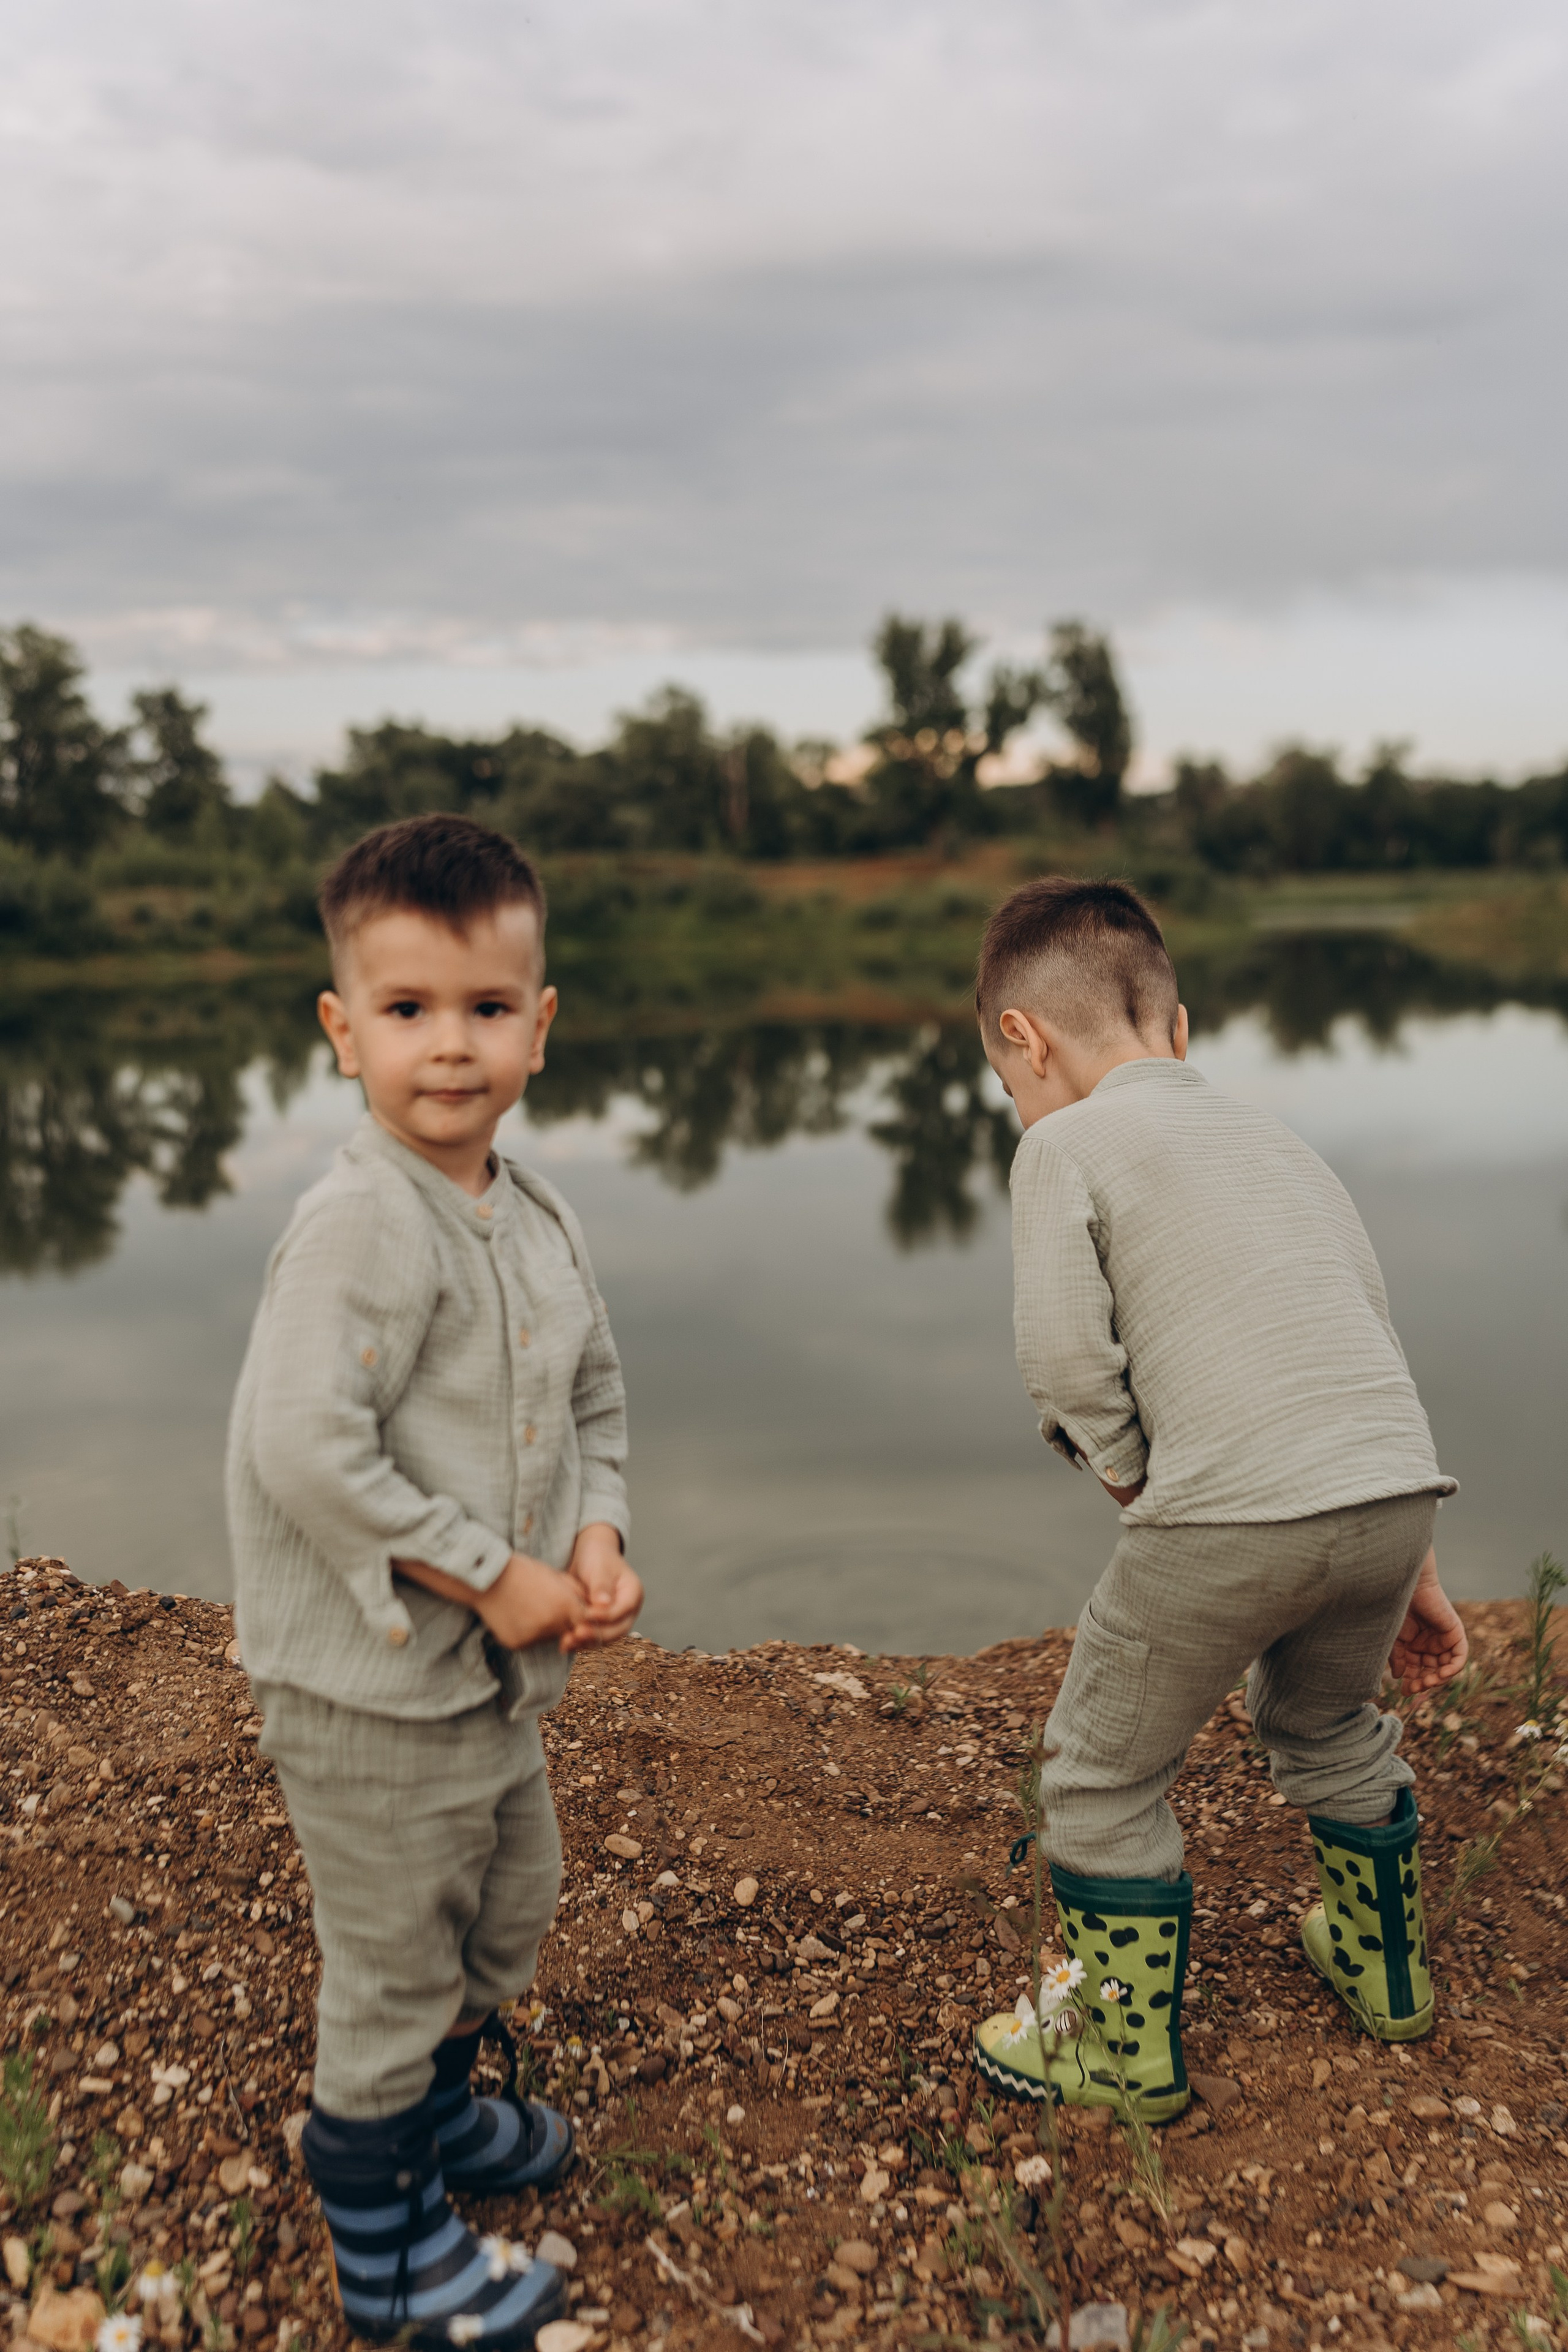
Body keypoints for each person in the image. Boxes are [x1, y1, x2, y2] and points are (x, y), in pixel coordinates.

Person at [227, 813, 643, 2347]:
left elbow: (594, 1399)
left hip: (480, 1675)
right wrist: (490, 1574)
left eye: (483, 1009)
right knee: (398, 1958)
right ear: (344, 1034)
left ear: (541, 1026)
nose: (448, 1048)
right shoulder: (358, 1226)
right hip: (365, 1677)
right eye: (406, 1012)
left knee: (505, 1903)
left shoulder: (533, 1215)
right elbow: (302, 1447)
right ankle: (385, 2239)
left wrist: (593, 1538)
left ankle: (444, 2117)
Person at [971, 876, 1464, 2122]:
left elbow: (1065, 1362)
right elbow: (1359, 1340)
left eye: (1006, 1075)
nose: (1018, 1100)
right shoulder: (1280, 1144)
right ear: (1178, 1032)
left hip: (1223, 1513)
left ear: (1022, 1041)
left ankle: (1120, 2051)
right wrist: (1411, 1568)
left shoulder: (1059, 1145)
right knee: (1325, 1723)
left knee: (1094, 1775)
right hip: (1390, 1486)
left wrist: (1137, 1481)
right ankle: (1383, 1972)